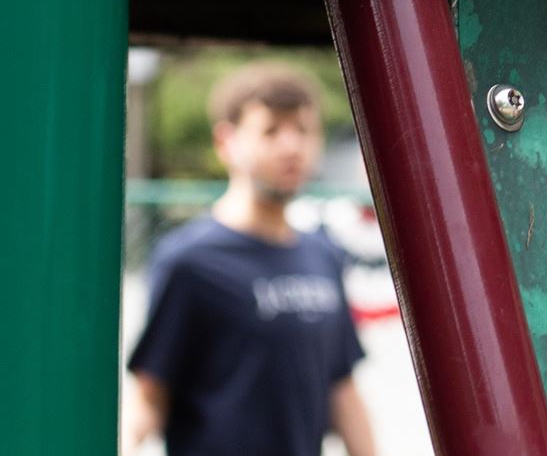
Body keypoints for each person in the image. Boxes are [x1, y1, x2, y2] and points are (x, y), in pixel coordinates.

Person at [126, 62, 377, 456]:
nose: (291, 146)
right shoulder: (190, 261)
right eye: (271, 130)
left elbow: (341, 388)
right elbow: (151, 395)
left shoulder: (323, 254)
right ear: (226, 142)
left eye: (303, 130)